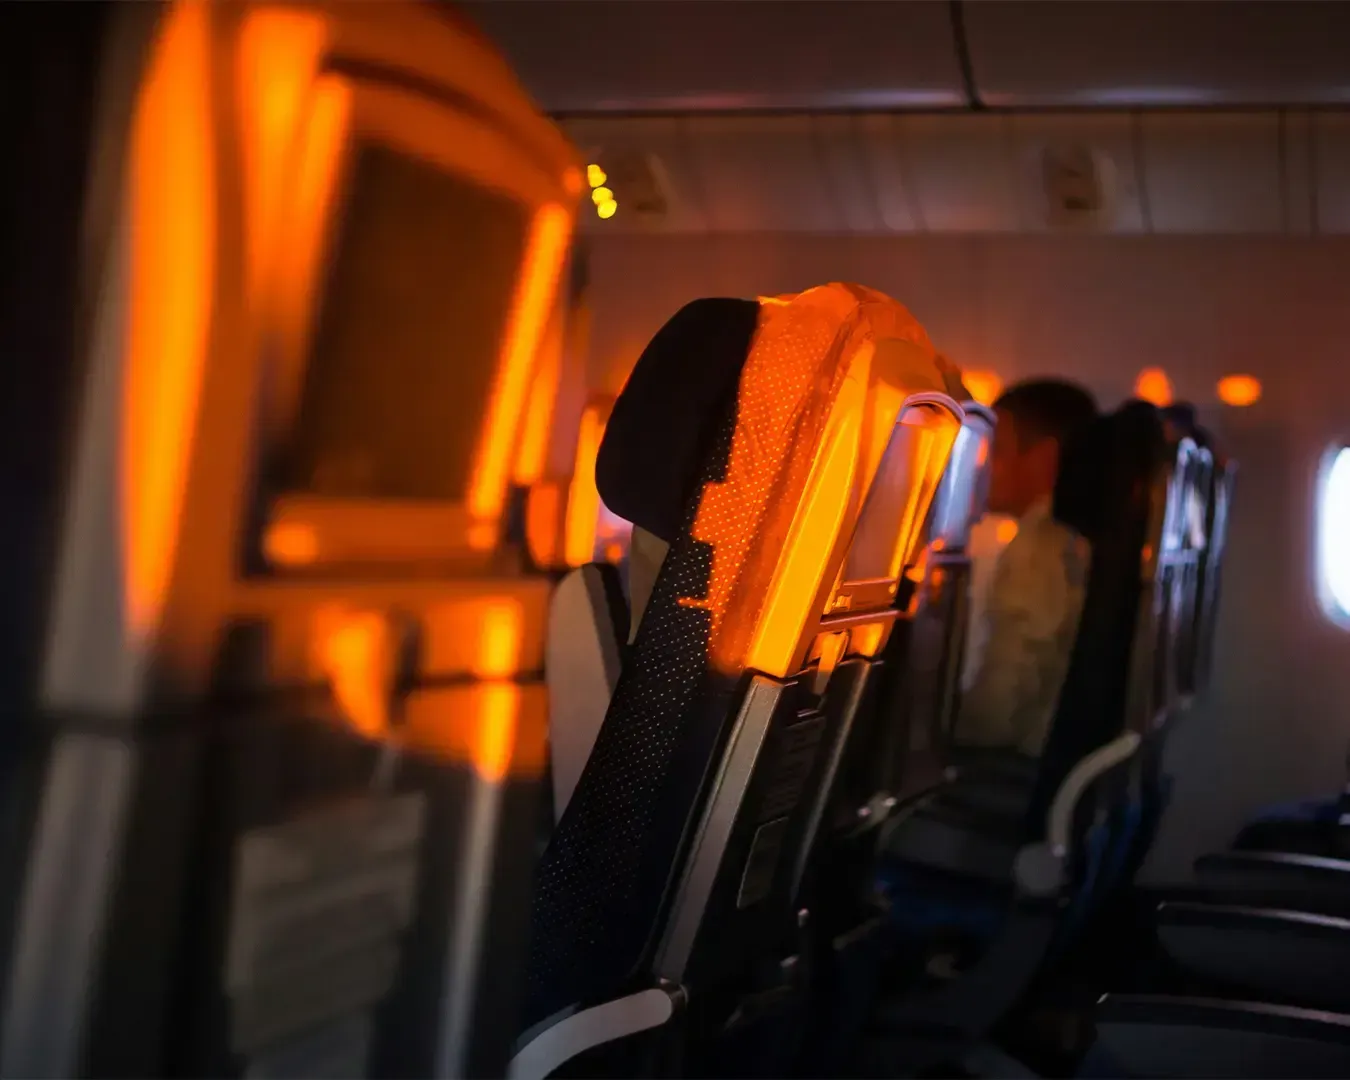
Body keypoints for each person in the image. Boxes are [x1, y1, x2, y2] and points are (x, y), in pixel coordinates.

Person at [957, 379, 1099, 756]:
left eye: (996, 449)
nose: (982, 464)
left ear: (1043, 459)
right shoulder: (1079, 541)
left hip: (1019, 768)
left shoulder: (1042, 548)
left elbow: (1000, 711)